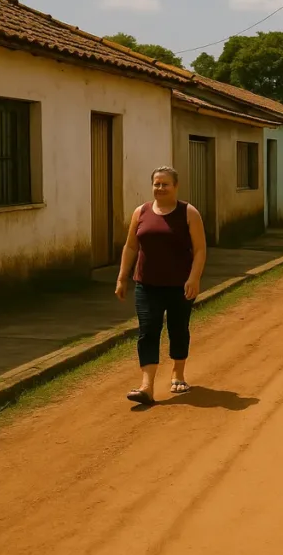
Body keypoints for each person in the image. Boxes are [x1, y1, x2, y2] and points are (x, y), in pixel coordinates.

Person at [116, 166, 207, 405]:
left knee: (178, 328)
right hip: (146, 285)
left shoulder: (188, 213)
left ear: (175, 186)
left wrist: (194, 278)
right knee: (148, 330)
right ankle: (147, 386)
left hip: (180, 286)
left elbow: (199, 250)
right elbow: (131, 247)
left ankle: (178, 372)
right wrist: (122, 277)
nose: (160, 188)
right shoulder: (141, 212)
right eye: (156, 184)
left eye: (165, 184)